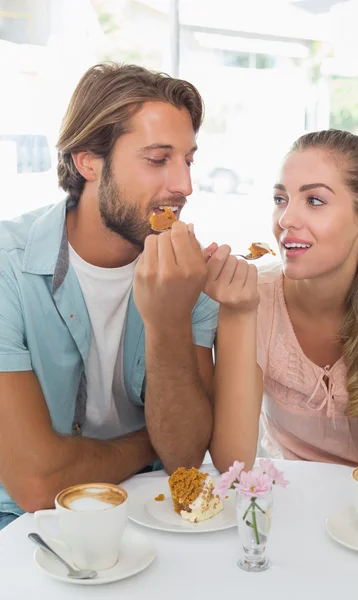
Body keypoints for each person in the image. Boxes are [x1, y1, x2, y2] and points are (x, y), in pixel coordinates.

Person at [0, 62, 259, 530]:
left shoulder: (189, 272)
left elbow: (183, 456)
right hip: (25, 524)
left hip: (152, 509)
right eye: (158, 159)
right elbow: (37, 484)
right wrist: (147, 443)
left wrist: (169, 322)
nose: (184, 185)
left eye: (188, 160)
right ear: (88, 162)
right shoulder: (8, 269)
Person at [254, 129, 358, 465]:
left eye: (314, 200)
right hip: (293, 501)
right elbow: (231, 458)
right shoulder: (254, 298)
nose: (286, 219)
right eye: (280, 199)